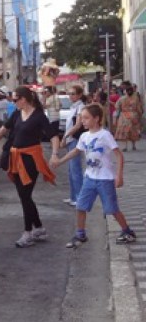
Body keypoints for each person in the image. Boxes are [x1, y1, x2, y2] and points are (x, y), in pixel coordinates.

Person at [0, 87, 60, 248]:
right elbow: (2, 130)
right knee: (23, 195)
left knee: (25, 194)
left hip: (31, 159)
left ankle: (28, 232)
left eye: (15, 99)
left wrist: (54, 154)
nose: (13, 102)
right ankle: (38, 227)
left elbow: (53, 136)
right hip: (15, 158)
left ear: (24, 99)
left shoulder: (39, 116)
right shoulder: (17, 114)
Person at [51, 103, 136, 247]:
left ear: (96, 119)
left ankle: (127, 231)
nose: (83, 121)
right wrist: (60, 161)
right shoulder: (84, 136)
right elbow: (76, 151)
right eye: (82, 118)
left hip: (105, 179)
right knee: (80, 206)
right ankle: (80, 234)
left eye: (86, 118)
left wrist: (119, 175)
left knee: (112, 209)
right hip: (89, 178)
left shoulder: (105, 135)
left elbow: (119, 155)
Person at [60, 86, 86, 207]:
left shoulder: (81, 107)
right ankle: (73, 196)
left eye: (73, 94)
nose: (71, 96)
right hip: (70, 139)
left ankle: (79, 198)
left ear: (80, 95)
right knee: (71, 170)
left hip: (75, 139)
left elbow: (77, 125)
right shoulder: (73, 106)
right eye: (69, 94)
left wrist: (65, 136)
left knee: (75, 170)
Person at [115, 81, 143, 151]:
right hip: (133, 115)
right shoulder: (136, 98)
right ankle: (133, 146)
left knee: (125, 131)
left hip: (124, 116)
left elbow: (117, 106)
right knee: (133, 131)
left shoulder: (122, 98)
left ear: (126, 91)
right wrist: (140, 115)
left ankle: (125, 146)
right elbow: (139, 108)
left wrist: (120, 111)